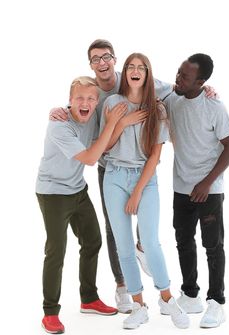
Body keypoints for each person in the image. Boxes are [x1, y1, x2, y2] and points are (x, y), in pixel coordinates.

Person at [49, 39, 173, 312]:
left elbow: (171, 89)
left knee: (146, 223)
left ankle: (144, 250)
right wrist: (57, 110)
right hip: (110, 164)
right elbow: (77, 104)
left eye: (106, 57)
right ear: (91, 65)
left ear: (115, 60)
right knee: (114, 228)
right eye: (95, 59)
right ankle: (122, 285)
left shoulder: (131, 77)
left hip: (141, 166)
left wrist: (204, 89)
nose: (102, 63)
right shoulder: (94, 91)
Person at [100, 52, 190, 330]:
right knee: (124, 245)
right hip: (114, 176)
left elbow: (154, 156)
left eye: (141, 68)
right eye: (131, 67)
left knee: (150, 242)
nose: (135, 71)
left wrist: (138, 191)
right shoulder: (113, 103)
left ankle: (166, 298)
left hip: (145, 178)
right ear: (125, 72)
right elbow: (106, 146)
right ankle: (139, 305)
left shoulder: (158, 109)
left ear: (148, 74)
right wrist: (122, 122)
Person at [36, 76, 127, 334]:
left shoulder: (95, 114)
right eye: (79, 99)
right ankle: (50, 312)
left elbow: (105, 141)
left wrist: (116, 121)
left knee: (93, 241)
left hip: (77, 189)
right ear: (69, 101)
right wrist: (111, 124)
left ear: (96, 102)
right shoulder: (60, 126)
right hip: (52, 192)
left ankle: (88, 299)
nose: (85, 103)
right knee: (56, 251)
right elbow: (90, 158)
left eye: (90, 99)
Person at [164, 53, 229, 328]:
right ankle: (190, 294)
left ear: (202, 81)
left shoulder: (214, 106)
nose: (178, 79)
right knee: (183, 241)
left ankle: (216, 302)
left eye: (185, 76)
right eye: (179, 72)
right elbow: (149, 86)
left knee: (213, 246)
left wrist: (207, 183)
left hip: (209, 189)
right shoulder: (173, 99)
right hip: (181, 187)